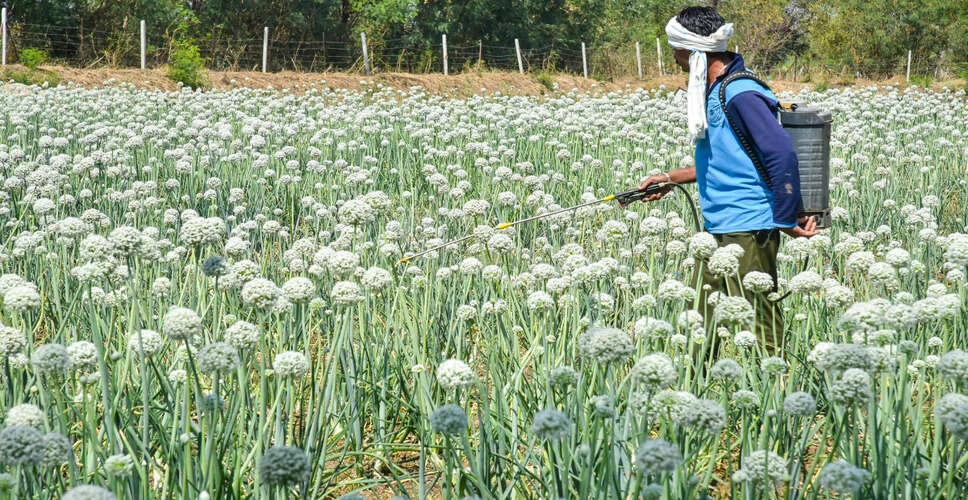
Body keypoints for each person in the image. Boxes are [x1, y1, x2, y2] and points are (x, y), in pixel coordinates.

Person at [636, 6, 818, 351]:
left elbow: (781, 153)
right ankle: (695, 392)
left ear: (693, 52)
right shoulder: (714, 91)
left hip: (749, 227)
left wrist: (784, 217)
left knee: (758, 323)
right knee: (699, 325)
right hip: (719, 226)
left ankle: (774, 391)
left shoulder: (741, 92)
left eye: (676, 48)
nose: (674, 57)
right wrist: (670, 178)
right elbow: (729, 160)